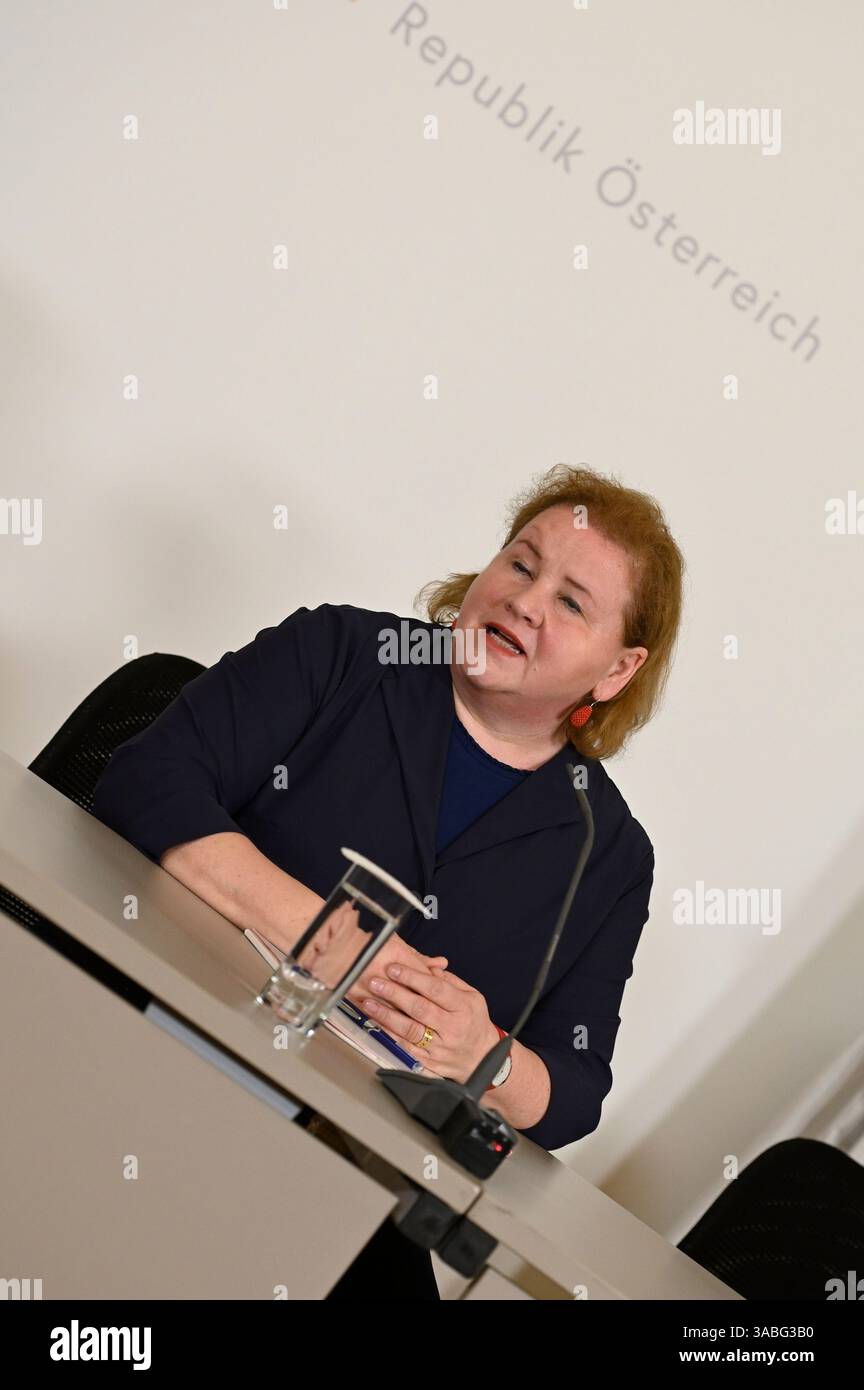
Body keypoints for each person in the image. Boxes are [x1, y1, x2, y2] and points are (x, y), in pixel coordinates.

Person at [91, 463, 685, 1297]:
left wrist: (486, 1058)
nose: (524, 599)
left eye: (571, 601)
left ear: (616, 672)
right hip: (162, 1035)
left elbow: (575, 1087)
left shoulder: (611, 851)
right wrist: (334, 947)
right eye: (521, 562)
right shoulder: (344, 653)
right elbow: (148, 780)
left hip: (343, 1157)